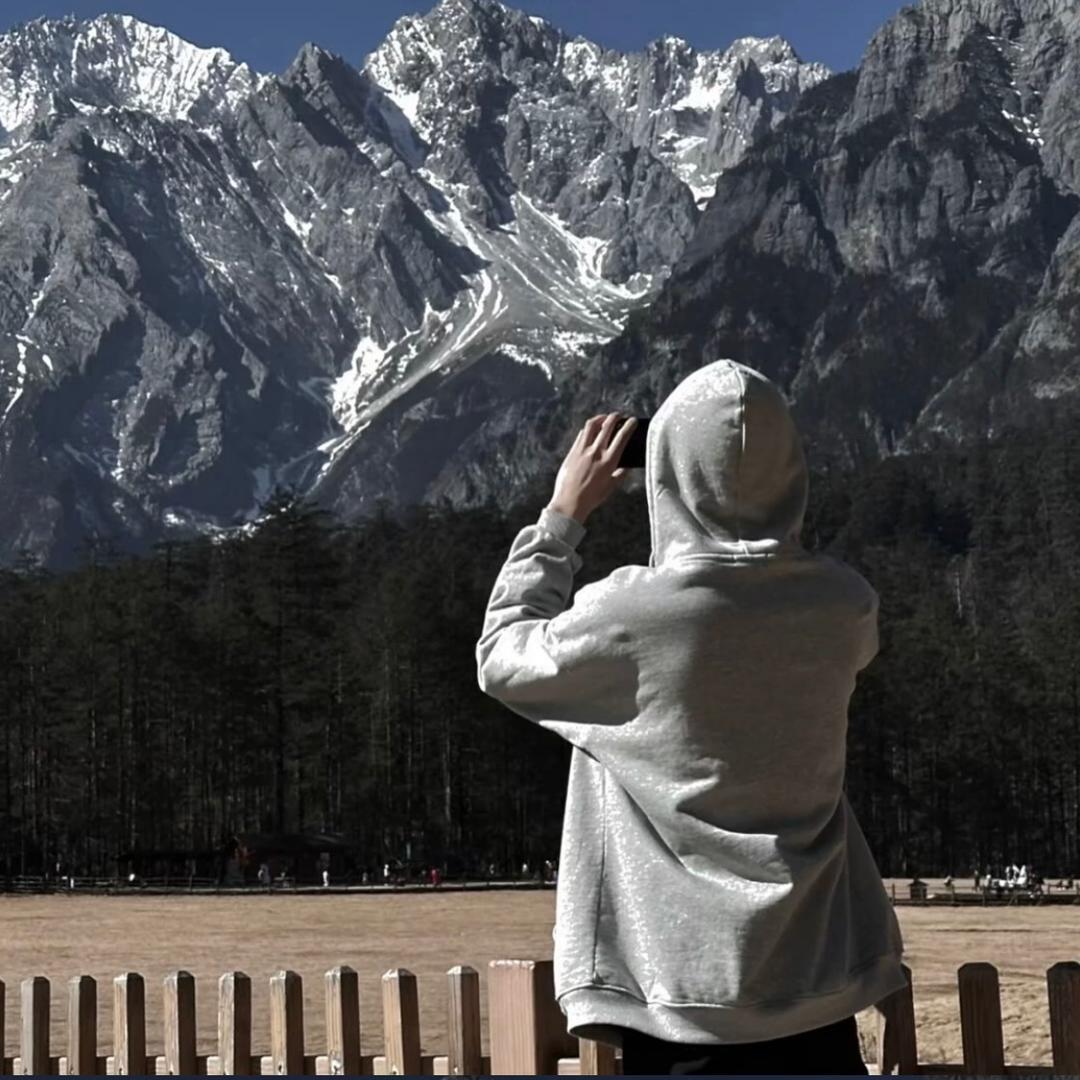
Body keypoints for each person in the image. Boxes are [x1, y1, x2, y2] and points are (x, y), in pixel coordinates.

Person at [475, 359, 905, 1075]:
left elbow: (502, 656)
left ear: (667, 474)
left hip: (677, 995)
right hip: (816, 987)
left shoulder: (635, 615)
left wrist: (562, 518)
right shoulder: (844, 605)